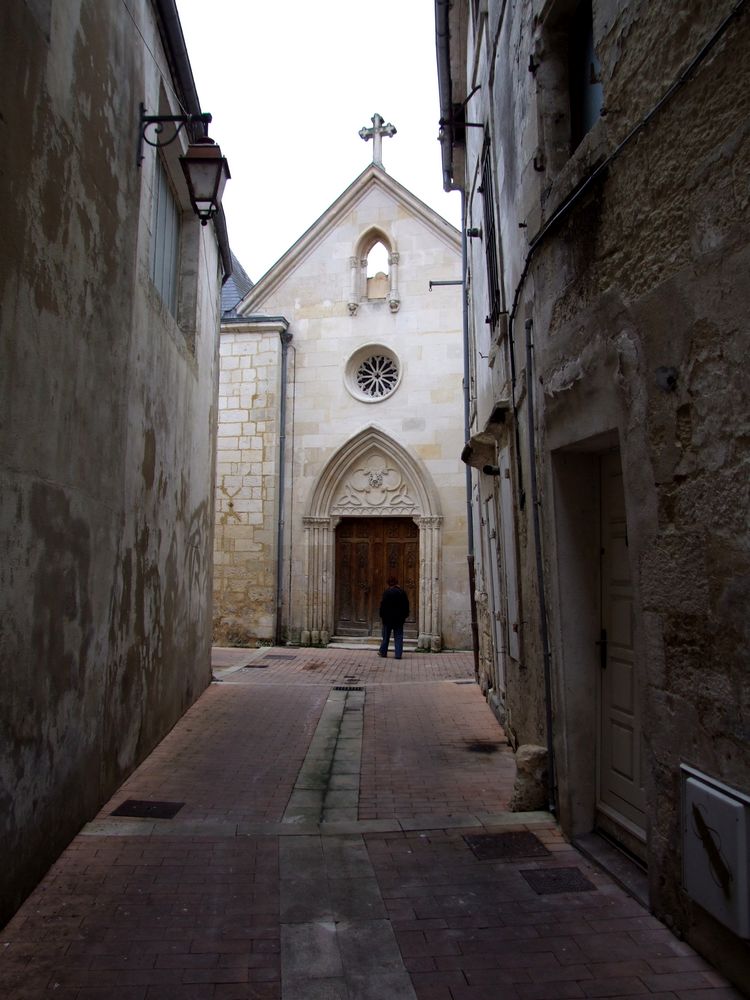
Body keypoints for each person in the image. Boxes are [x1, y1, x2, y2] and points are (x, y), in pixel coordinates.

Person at [378, 576, 410, 659]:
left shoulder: (387, 592)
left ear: (388, 583)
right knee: (398, 636)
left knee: (385, 636)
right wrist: (404, 616)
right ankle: (398, 654)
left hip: (387, 619)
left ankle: (383, 652)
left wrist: (382, 616)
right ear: (397, 582)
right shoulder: (402, 593)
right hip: (399, 619)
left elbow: (383, 606)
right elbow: (406, 606)